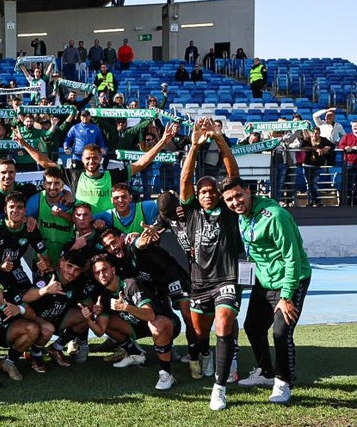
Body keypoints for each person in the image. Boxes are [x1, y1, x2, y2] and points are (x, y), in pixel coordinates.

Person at [220, 176, 311, 405]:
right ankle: (266, 373)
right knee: (253, 326)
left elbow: (292, 259)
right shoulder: (242, 216)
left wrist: (287, 296)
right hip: (264, 280)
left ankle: (284, 382)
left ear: (249, 192)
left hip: (291, 279)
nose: (235, 202)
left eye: (238, 195)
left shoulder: (276, 216)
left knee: (281, 332)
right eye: (229, 199)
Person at [179, 117, 243, 411]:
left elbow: (233, 172)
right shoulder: (191, 210)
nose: (206, 194)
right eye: (202, 191)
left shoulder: (228, 210)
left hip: (226, 278)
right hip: (199, 281)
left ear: (218, 194)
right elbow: (185, 179)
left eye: (210, 191)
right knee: (200, 332)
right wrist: (193, 146)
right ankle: (207, 353)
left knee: (224, 322)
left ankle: (219, 387)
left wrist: (219, 138)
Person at [16, 123, 179, 214]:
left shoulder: (112, 176)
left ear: (100, 158)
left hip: (107, 230)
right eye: (87, 158)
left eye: (95, 157)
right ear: (82, 159)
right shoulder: (74, 175)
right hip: (81, 229)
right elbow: (44, 162)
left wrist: (163, 142)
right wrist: (24, 144)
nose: (91, 161)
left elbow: (141, 163)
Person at [83, 253, 180, 390]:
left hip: (166, 323)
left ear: (113, 270)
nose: (101, 275)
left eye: (104, 270)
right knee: (109, 321)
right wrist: (89, 319)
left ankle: (166, 373)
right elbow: (100, 331)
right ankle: (135, 353)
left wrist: (125, 307)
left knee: (156, 325)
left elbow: (150, 315)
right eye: (97, 272)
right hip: (140, 326)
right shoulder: (104, 296)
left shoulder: (130, 285)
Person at [338, 120, 357, 205]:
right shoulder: (347, 137)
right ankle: (346, 203)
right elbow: (340, 145)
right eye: (354, 127)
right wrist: (346, 147)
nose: (355, 128)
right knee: (346, 184)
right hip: (348, 163)